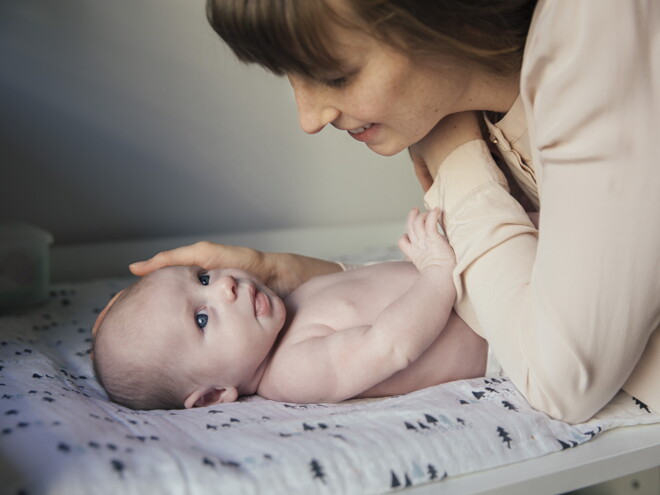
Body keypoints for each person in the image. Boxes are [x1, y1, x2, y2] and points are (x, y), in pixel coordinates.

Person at [129, 1, 660, 423]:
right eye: (290, 77)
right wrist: (303, 276)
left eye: (334, 75)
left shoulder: (588, 42)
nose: (309, 118)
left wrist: (455, 156)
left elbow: (564, 379)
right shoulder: (471, 106)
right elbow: (388, 329)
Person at [92, 208, 488, 410]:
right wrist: (437, 273)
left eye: (203, 278)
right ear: (213, 396)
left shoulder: (283, 309)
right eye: (201, 318)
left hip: (470, 278)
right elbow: (389, 346)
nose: (225, 286)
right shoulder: (292, 373)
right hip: (492, 325)